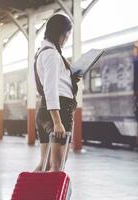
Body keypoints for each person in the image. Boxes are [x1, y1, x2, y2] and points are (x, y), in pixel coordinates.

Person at [34, 14, 80, 172]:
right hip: (59, 110)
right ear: (60, 33)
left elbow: (51, 85)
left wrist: (70, 78)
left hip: (45, 111)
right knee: (56, 166)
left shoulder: (43, 52)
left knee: (45, 164)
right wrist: (58, 122)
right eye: (67, 34)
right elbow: (51, 88)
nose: (67, 38)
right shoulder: (52, 55)